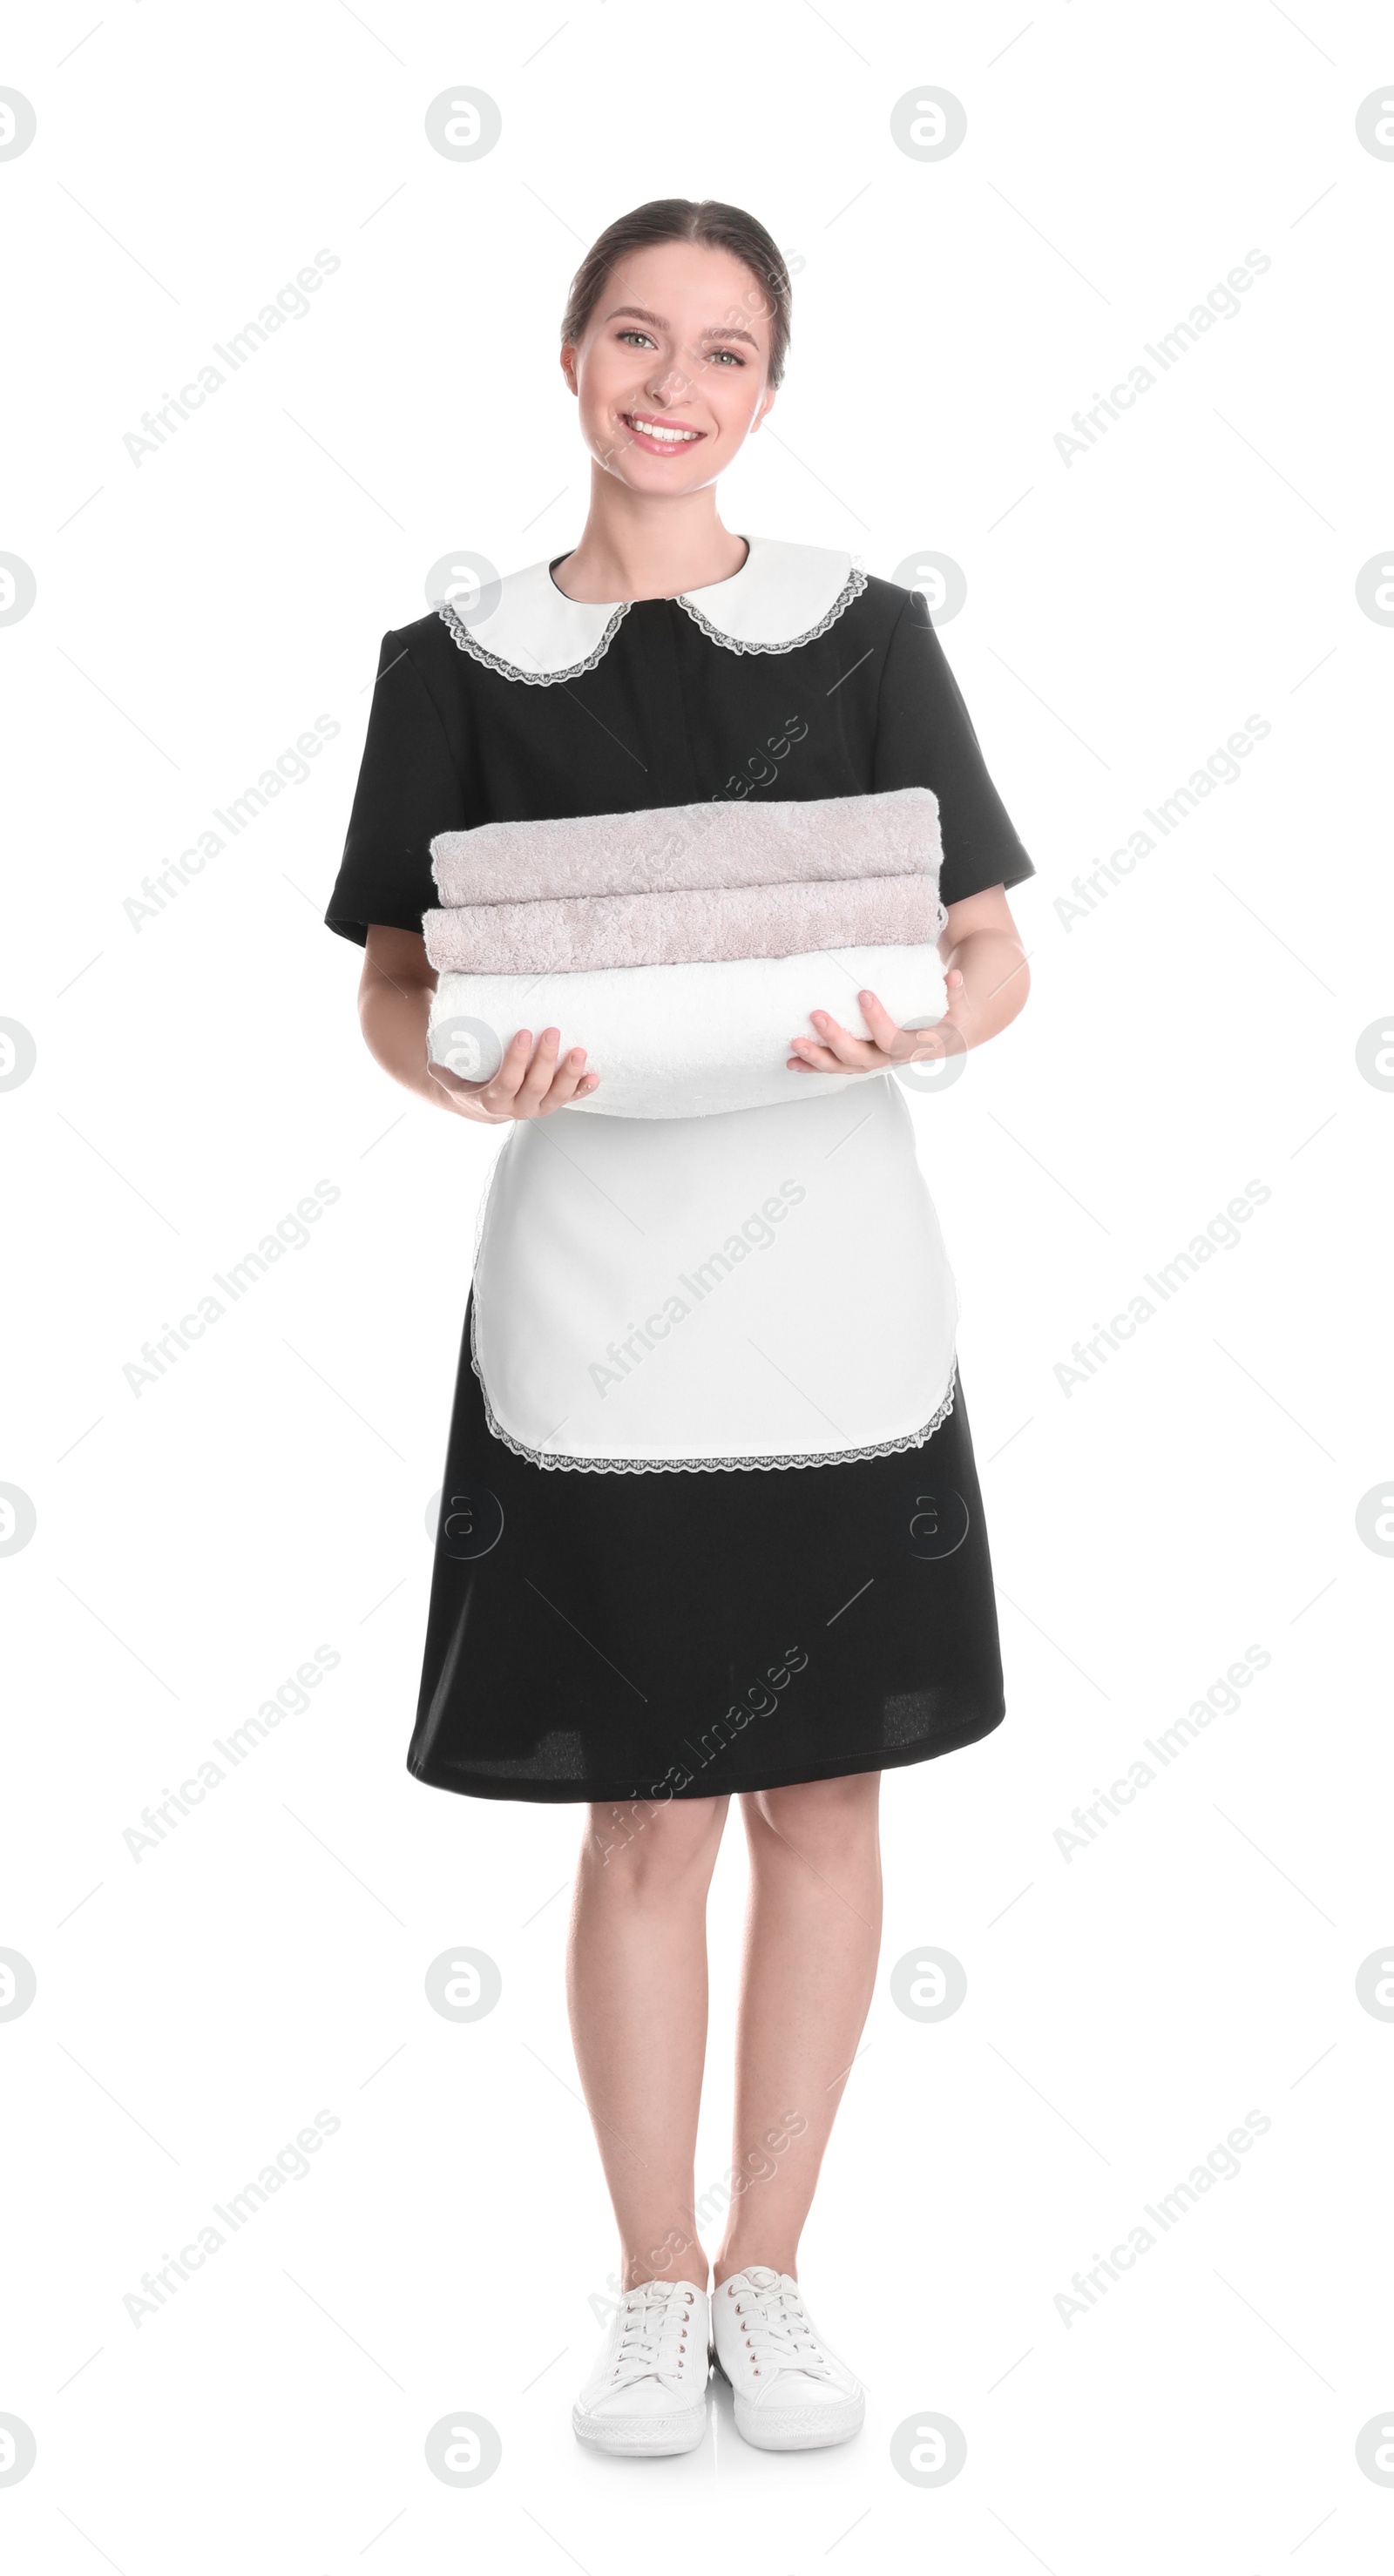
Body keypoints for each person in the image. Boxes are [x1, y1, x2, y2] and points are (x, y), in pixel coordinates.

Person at [324, 196, 1034, 2458]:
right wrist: (456, 1075)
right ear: (569, 356)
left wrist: (912, 1025)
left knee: (821, 1798)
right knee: (640, 1815)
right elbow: (395, 987)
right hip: (598, 1302)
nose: (674, 382)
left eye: (724, 351)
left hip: (831, 1277)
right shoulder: (452, 667)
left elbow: (996, 948)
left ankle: (774, 2276)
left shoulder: (866, 635)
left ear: (766, 390)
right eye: (638, 335)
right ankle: (649, 2291)